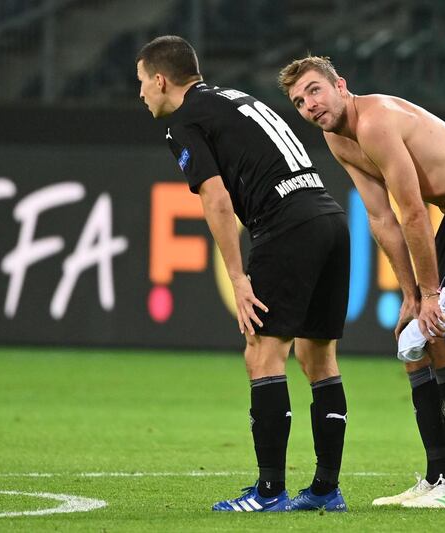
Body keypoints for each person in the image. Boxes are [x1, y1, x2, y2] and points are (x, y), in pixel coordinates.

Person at [278, 56, 445, 508]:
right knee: (412, 341)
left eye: (315, 90)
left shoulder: (376, 121)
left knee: (439, 335)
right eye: (299, 101)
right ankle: (436, 479)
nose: (309, 105)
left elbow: (412, 210)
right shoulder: (337, 140)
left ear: (340, 85)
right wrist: (411, 296)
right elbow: (381, 218)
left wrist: (431, 294)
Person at [136, 36, 351, 513]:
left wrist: (237, 277)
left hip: (286, 226)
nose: (141, 95)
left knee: (261, 354)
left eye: (141, 83)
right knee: (319, 359)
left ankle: (270, 492)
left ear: (160, 79)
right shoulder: (234, 98)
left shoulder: (185, 120)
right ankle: (324, 491)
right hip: (329, 218)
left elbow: (215, 198)